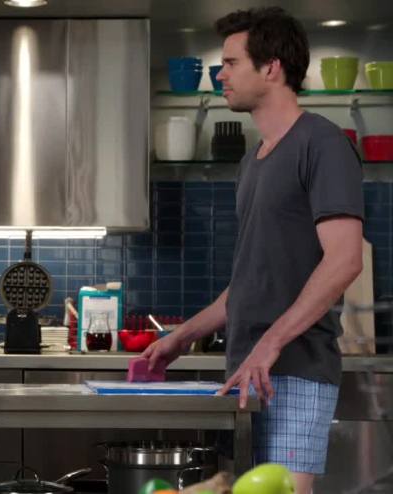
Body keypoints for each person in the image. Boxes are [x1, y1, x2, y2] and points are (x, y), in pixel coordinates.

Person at [142, 7, 364, 494]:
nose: (220, 75)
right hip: (247, 372)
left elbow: (346, 259)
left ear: (271, 68)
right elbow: (248, 283)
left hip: (296, 370)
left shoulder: (322, 144)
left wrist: (271, 343)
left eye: (230, 63)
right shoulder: (253, 161)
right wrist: (183, 336)